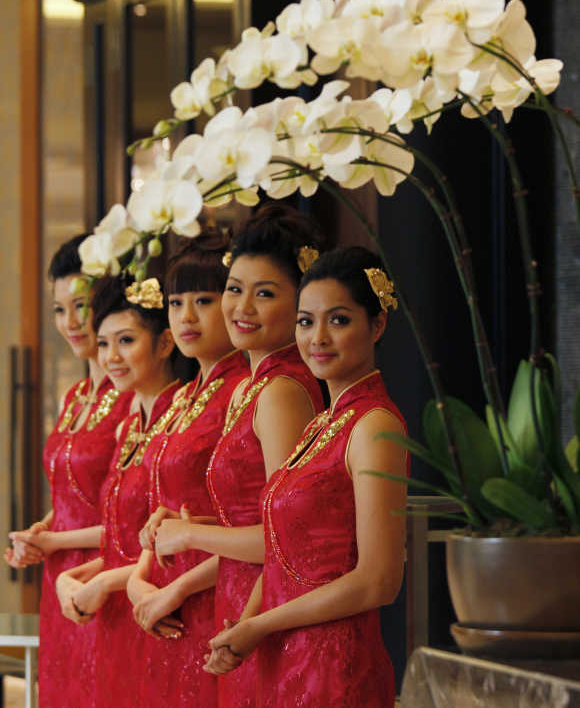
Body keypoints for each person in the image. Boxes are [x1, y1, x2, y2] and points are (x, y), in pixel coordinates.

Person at [205, 247, 408, 708]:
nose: (317, 338)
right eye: (305, 321)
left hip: (334, 665)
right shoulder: (323, 424)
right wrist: (246, 625)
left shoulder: (374, 424)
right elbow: (280, 553)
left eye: (338, 320)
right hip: (285, 653)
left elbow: (379, 579)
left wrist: (261, 624)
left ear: (376, 325)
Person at [154, 204, 325, 708]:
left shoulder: (280, 390)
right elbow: (261, 513)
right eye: (234, 288)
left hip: (267, 609)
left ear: (300, 305)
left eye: (265, 293)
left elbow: (285, 538)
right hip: (241, 604)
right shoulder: (255, 386)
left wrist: (189, 533)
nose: (241, 307)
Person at [4, 234, 133, 708]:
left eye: (82, 304)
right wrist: (41, 532)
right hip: (60, 580)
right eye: (59, 309)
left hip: (106, 579)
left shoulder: (132, 395)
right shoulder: (77, 396)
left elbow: (130, 517)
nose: (71, 322)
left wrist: (55, 541)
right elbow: (72, 497)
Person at [125, 231, 250, 707]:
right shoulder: (183, 396)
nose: (187, 317)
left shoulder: (241, 391)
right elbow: (162, 508)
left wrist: (174, 590)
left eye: (204, 300)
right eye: (176, 303)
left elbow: (261, 526)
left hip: (212, 597)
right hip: (164, 600)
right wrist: (141, 579)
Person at [55, 274, 179, 708]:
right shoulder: (129, 424)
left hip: (155, 612)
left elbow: (177, 547)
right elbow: (119, 532)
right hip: (115, 615)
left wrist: (104, 580)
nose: (111, 357)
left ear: (165, 343)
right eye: (104, 344)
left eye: (125, 341)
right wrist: (76, 575)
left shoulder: (182, 424)